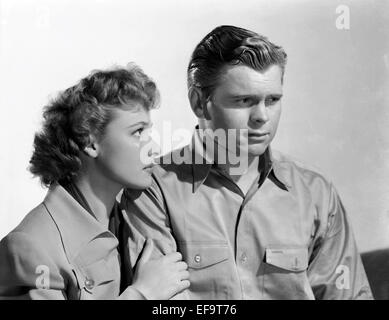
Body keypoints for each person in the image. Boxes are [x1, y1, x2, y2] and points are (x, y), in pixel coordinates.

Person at [121, 25, 373, 299]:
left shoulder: (316, 193)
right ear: (199, 103)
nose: (262, 116)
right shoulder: (151, 190)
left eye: (273, 100)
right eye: (244, 100)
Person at [0, 64, 190, 299]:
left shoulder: (140, 217)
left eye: (148, 132)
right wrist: (141, 294)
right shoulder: (32, 246)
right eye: (137, 132)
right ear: (90, 142)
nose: (154, 148)